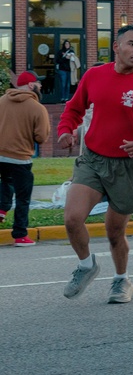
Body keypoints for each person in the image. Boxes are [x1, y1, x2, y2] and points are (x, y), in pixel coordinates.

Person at [57, 25, 133, 304]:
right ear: (116, 47)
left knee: (114, 233)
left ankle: (122, 280)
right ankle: (86, 265)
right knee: (72, 219)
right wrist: (66, 130)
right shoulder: (95, 75)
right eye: (132, 44)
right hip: (93, 159)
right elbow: (74, 108)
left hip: (127, 167)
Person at [0, 72, 50, 246]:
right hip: (20, 159)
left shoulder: (1, 101)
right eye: (38, 83)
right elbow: (41, 137)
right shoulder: (37, 108)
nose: (41, 86)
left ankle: (1, 208)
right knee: (23, 198)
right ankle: (20, 235)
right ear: (30, 85)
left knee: (6, 182)